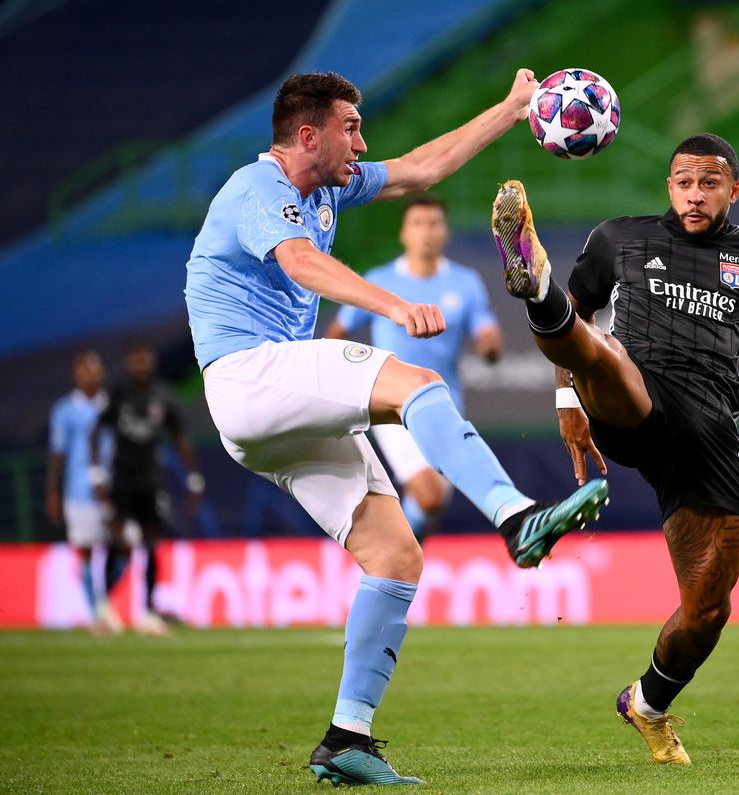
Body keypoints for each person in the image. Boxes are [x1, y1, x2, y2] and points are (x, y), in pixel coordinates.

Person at [183, 70, 608, 786]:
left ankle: (346, 738)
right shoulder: (257, 188)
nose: (362, 143)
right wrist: (395, 305)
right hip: (247, 374)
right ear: (308, 135)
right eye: (350, 129)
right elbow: (301, 261)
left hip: (273, 407)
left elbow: (421, 168)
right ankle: (516, 516)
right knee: (420, 384)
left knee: (396, 556)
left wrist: (510, 109)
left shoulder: (329, 188)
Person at [490, 133, 739, 765]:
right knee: (603, 350)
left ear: (733, 190)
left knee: (708, 609)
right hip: (636, 398)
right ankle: (536, 286)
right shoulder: (619, 239)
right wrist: (567, 401)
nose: (695, 195)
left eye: (708, 184)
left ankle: (647, 703)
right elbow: (584, 315)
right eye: (684, 183)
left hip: (707, 431)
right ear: (669, 186)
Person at [324, 194, 503, 544]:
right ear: (404, 233)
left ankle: (396, 561)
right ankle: (390, 559)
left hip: (445, 407)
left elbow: (489, 346)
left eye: (434, 223)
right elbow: (337, 332)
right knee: (429, 495)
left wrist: (490, 344)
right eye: (418, 224)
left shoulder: (465, 283)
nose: (426, 232)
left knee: (430, 507)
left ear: (445, 232)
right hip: (392, 405)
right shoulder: (379, 281)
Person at [89, 339, 204, 637]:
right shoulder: (118, 393)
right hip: (121, 478)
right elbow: (96, 429)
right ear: (129, 362)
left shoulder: (162, 395)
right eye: (136, 359)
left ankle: (149, 613)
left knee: (152, 544)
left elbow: (179, 436)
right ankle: (105, 609)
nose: (142, 365)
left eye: (146, 359)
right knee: (117, 541)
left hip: (151, 479)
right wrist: (96, 472)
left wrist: (193, 476)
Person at [46, 350, 122, 633]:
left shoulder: (113, 405)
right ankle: (96, 614)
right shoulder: (65, 410)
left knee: (125, 546)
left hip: (115, 490)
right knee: (87, 553)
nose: (89, 376)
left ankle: (102, 602)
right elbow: (58, 455)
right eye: (83, 370)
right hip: (80, 492)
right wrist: (53, 492)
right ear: (76, 375)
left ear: (101, 372)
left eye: (93, 370)